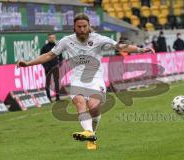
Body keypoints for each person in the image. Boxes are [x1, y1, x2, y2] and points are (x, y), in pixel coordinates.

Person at [16, 13, 152, 150]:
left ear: (89, 26)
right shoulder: (66, 41)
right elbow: (49, 55)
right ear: (74, 28)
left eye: (84, 26)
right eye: (79, 27)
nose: (82, 29)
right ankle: (88, 133)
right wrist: (28, 63)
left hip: (95, 79)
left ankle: (91, 134)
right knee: (80, 103)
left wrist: (140, 49)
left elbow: (120, 47)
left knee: (93, 107)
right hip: (77, 80)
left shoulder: (99, 39)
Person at [40, 33, 63, 102]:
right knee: (48, 83)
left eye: (53, 37)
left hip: (55, 67)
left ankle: (57, 97)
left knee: (57, 82)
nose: (52, 39)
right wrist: (45, 67)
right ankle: (49, 98)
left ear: (55, 38)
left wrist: (60, 64)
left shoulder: (57, 47)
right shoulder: (44, 47)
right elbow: (41, 58)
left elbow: (61, 57)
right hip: (48, 68)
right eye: (50, 37)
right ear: (48, 39)